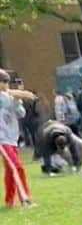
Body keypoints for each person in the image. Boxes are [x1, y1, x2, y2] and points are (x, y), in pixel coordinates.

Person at [0, 69, 35, 208]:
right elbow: (6, 99)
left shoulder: (9, 96)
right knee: (17, 167)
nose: (6, 84)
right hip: (2, 139)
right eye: (3, 81)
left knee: (10, 170)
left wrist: (18, 99)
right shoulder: (4, 96)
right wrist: (20, 94)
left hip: (12, 138)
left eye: (7, 81)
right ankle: (25, 199)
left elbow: (21, 113)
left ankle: (9, 201)